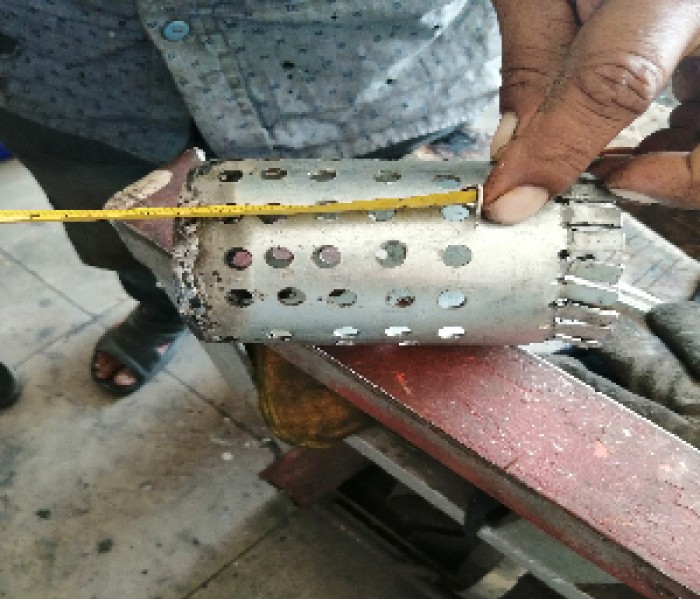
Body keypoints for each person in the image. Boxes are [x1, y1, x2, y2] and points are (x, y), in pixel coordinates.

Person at [0, 0, 698, 396]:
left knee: (381, 274)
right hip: (67, 77)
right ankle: (160, 311)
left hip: (371, 82)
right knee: (130, 234)